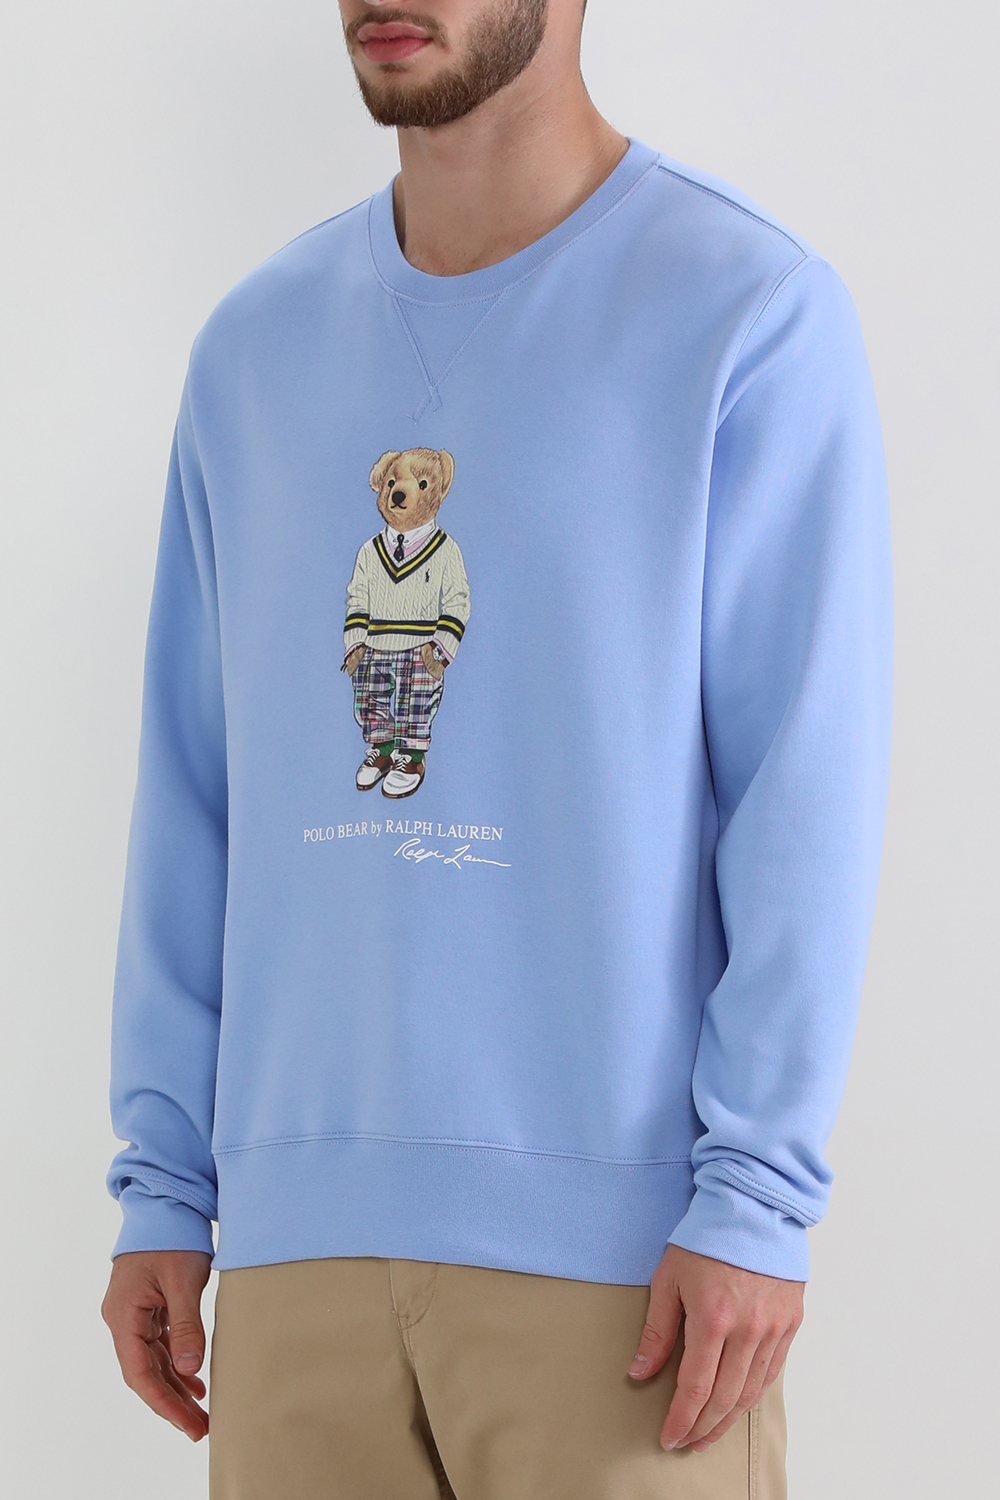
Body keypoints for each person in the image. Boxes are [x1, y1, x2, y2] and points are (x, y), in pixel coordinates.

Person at [100, 2, 892, 1496]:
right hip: (292, 1253)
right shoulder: (254, 350)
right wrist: (165, 1183)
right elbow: (195, 795)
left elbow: (804, 791)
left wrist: (756, 1197)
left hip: (629, 1276)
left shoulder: (743, 309)